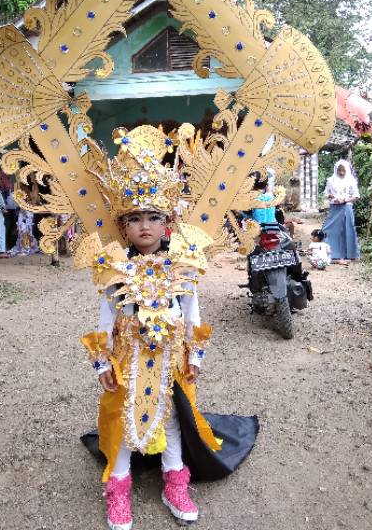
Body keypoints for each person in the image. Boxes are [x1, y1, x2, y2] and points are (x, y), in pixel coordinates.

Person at [78, 126, 258, 530]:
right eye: (135, 218)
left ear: (167, 223)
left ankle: (175, 483)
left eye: (153, 217)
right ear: (123, 225)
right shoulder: (113, 267)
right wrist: (101, 362)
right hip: (128, 360)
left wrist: (196, 356)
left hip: (170, 361)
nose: (145, 226)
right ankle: (118, 490)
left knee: (173, 419)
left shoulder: (184, 265)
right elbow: (105, 319)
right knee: (123, 419)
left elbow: (192, 314)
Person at [322, 159, 360, 264]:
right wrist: (332, 196)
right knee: (330, 229)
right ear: (336, 170)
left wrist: (345, 199)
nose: (341, 172)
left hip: (346, 207)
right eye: (339, 170)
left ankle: (350, 254)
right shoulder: (331, 180)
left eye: (343, 170)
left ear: (347, 170)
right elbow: (326, 193)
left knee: (348, 230)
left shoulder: (351, 181)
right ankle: (332, 253)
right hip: (334, 207)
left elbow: (356, 196)